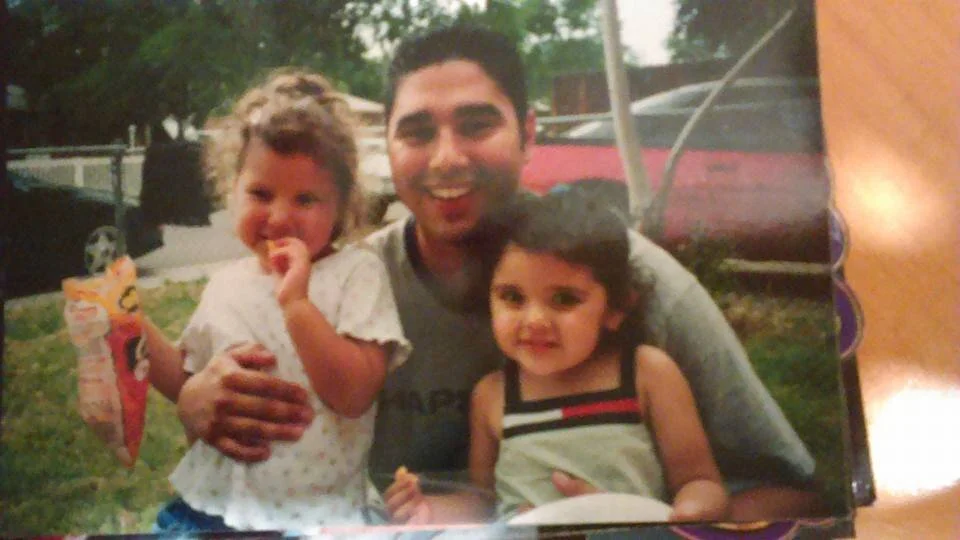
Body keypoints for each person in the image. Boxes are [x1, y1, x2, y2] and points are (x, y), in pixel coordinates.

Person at [172, 23, 821, 522]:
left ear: (529, 132)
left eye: (477, 125)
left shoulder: (632, 278)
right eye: (416, 133)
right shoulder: (344, 284)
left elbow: (796, 493)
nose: (446, 159)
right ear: (387, 149)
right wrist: (196, 400)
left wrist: (638, 524)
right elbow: (263, 424)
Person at [143, 70, 411, 533]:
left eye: (305, 199)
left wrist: (297, 306)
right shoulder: (226, 284)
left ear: (342, 205)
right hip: (212, 509)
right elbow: (189, 381)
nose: (280, 217)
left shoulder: (356, 273)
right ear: (232, 191)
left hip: (314, 514)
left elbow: (354, 395)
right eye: (260, 194)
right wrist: (132, 331)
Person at [385, 193, 729, 524]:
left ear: (616, 308)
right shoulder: (493, 395)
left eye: (564, 299)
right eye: (512, 297)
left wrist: (687, 514)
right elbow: (483, 503)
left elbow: (698, 481)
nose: (535, 320)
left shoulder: (646, 373)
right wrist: (427, 507)